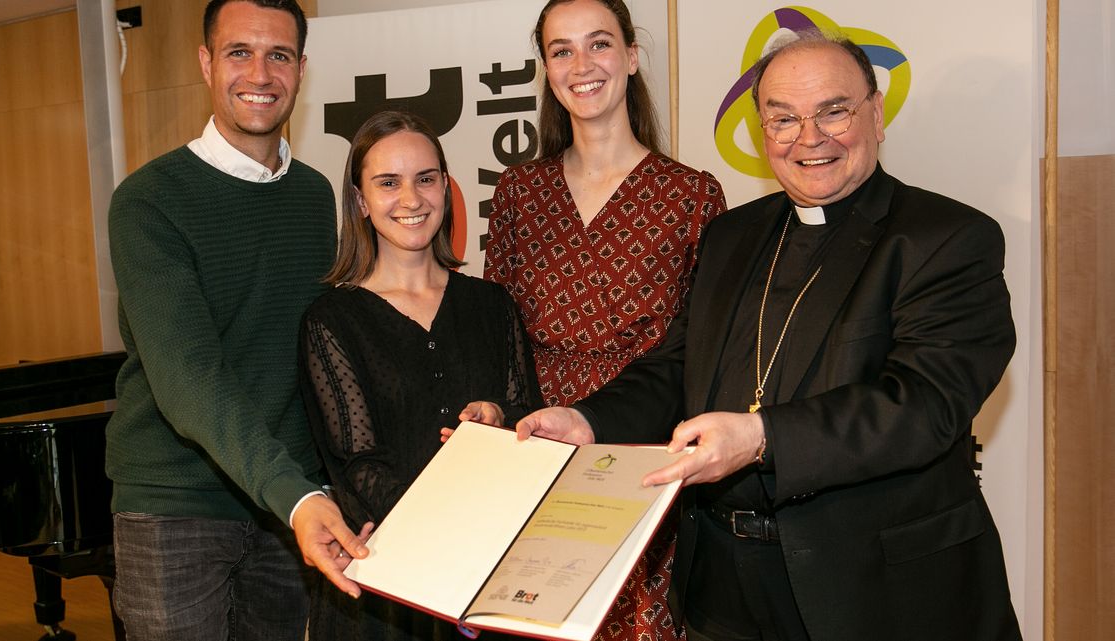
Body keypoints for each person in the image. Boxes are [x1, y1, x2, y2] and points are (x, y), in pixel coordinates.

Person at [517, 29, 1022, 641]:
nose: (809, 139)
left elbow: (924, 405)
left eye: (833, 112)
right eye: (782, 120)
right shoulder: (733, 235)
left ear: (877, 114)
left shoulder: (946, 238)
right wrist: (589, 420)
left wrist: (761, 438)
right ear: (763, 134)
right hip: (720, 585)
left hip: (872, 587)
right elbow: (680, 367)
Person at [106, 2, 367, 639]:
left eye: (278, 55)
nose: (260, 72)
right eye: (238, 52)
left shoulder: (313, 195)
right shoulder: (147, 201)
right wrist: (297, 494)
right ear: (205, 63)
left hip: (284, 509)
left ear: (301, 69)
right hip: (176, 509)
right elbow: (188, 376)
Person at [484, 1, 725, 638]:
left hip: (645, 459)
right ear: (546, 68)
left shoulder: (693, 194)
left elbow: (698, 353)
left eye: (599, 44)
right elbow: (497, 336)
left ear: (631, 56)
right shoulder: (518, 193)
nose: (582, 65)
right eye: (561, 50)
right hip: (538, 455)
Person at [299, 110, 543, 641]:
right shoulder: (332, 320)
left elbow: (531, 420)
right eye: (388, 183)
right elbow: (358, 465)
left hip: (492, 578)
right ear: (361, 201)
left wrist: (501, 418)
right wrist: (448, 530)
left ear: (445, 187)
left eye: (426, 179)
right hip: (385, 588)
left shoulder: (492, 303)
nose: (411, 200)